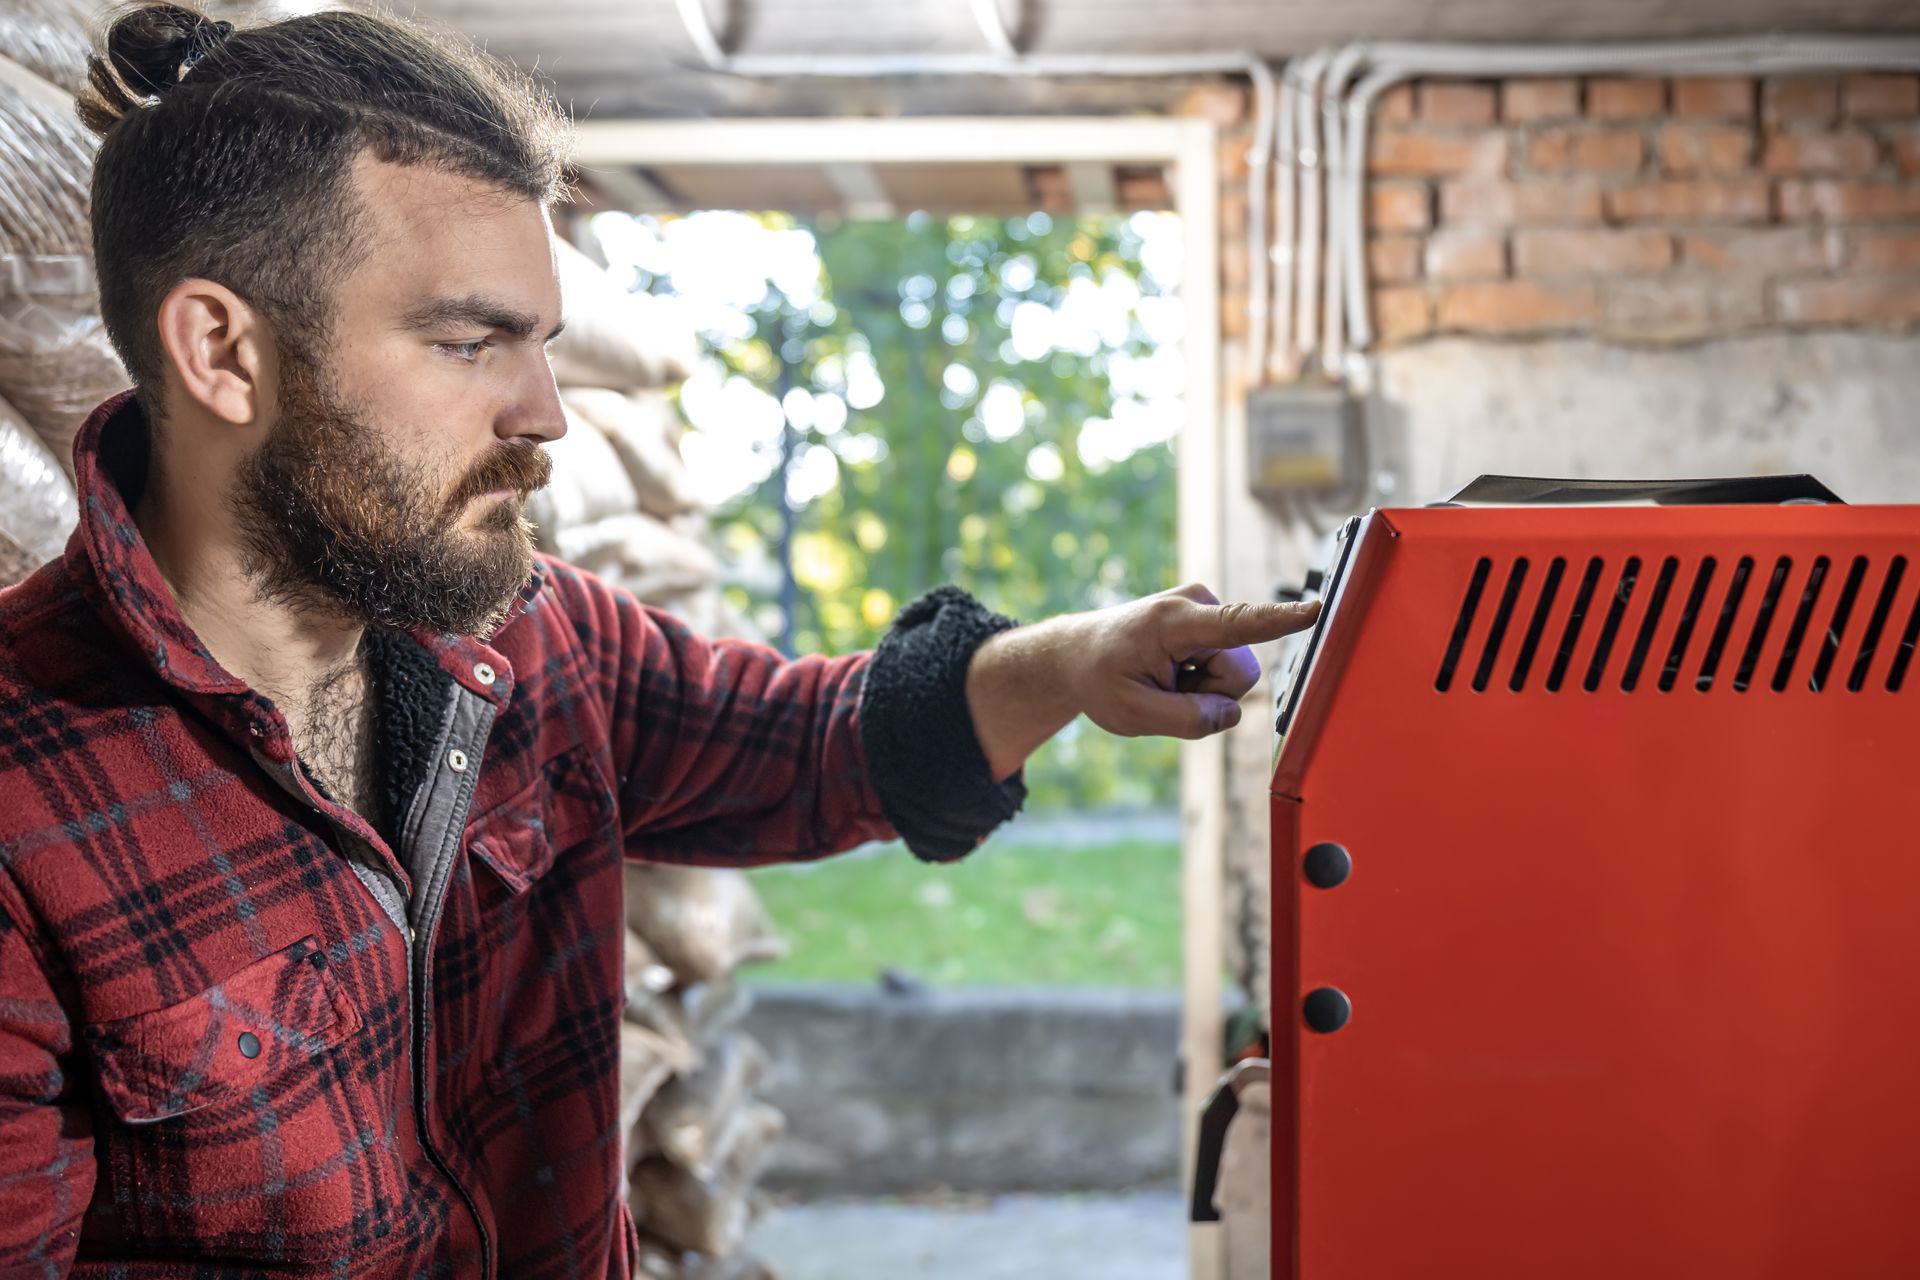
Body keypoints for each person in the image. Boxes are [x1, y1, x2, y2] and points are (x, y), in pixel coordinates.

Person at [0, 5, 1318, 1275]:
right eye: (472, 342)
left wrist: (1078, 660)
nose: (548, 414)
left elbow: (819, 745)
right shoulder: (23, 806)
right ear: (223, 353)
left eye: (547, 347)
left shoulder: (540, 643)